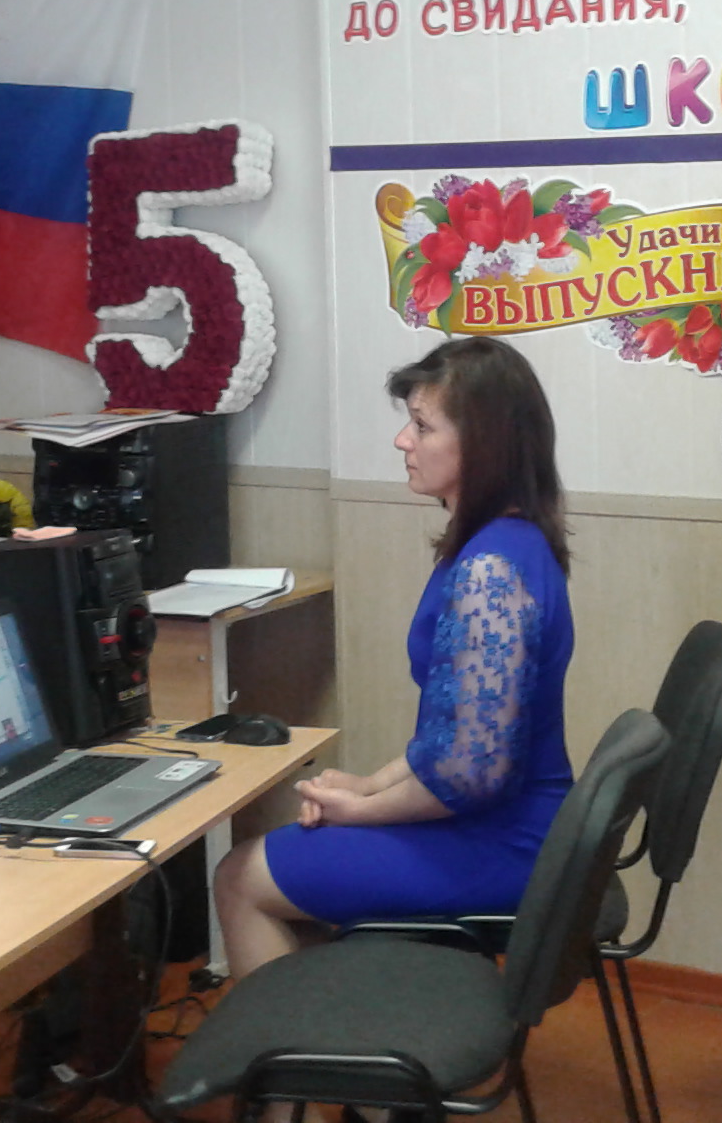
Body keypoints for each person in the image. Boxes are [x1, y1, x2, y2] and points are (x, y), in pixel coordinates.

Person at [212, 336, 575, 980]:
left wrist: (361, 812)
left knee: (240, 875)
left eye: (422, 426)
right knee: (294, 860)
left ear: (484, 444)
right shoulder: (506, 544)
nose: (403, 441)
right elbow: (452, 737)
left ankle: (284, 1042)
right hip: (507, 822)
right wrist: (367, 787)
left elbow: (471, 775)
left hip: (505, 842)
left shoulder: (490, 572)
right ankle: (327, 1031)